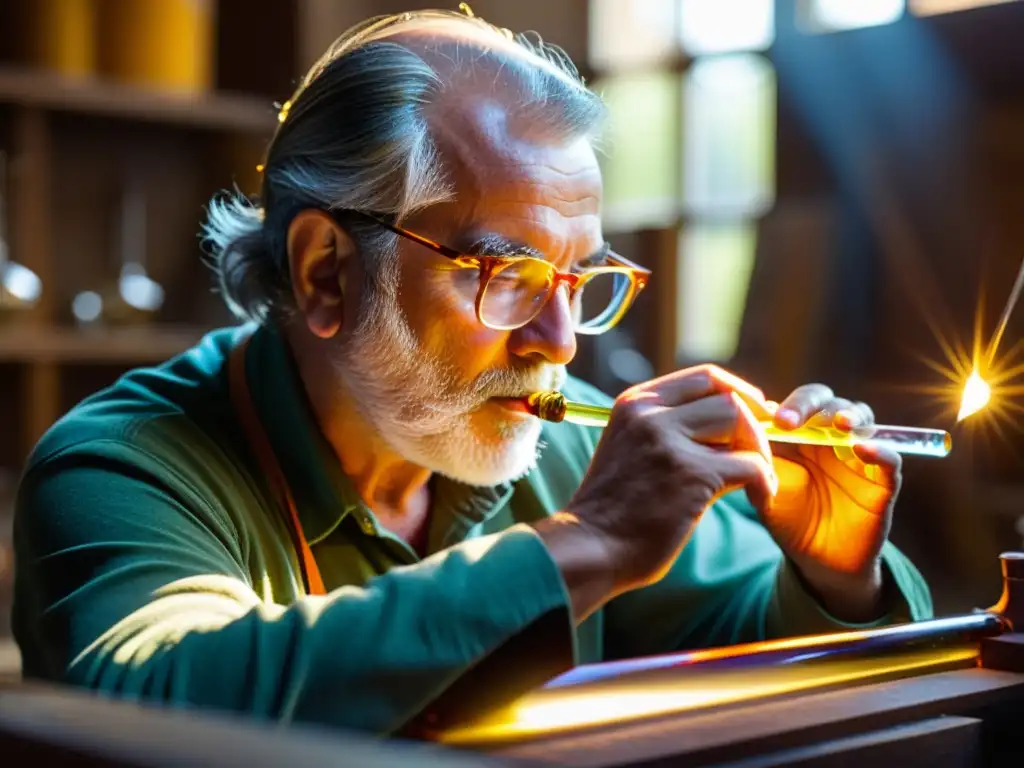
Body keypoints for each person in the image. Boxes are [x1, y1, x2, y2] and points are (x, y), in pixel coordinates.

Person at [11, 8, 931, 737]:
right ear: (325, 270)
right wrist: (593, 540)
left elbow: (751, 654)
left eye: (580, 278)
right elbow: (156, 703)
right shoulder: (123, 465)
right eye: (507, 275)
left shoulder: (563, 445)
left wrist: (833, 577)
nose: (561, 341)